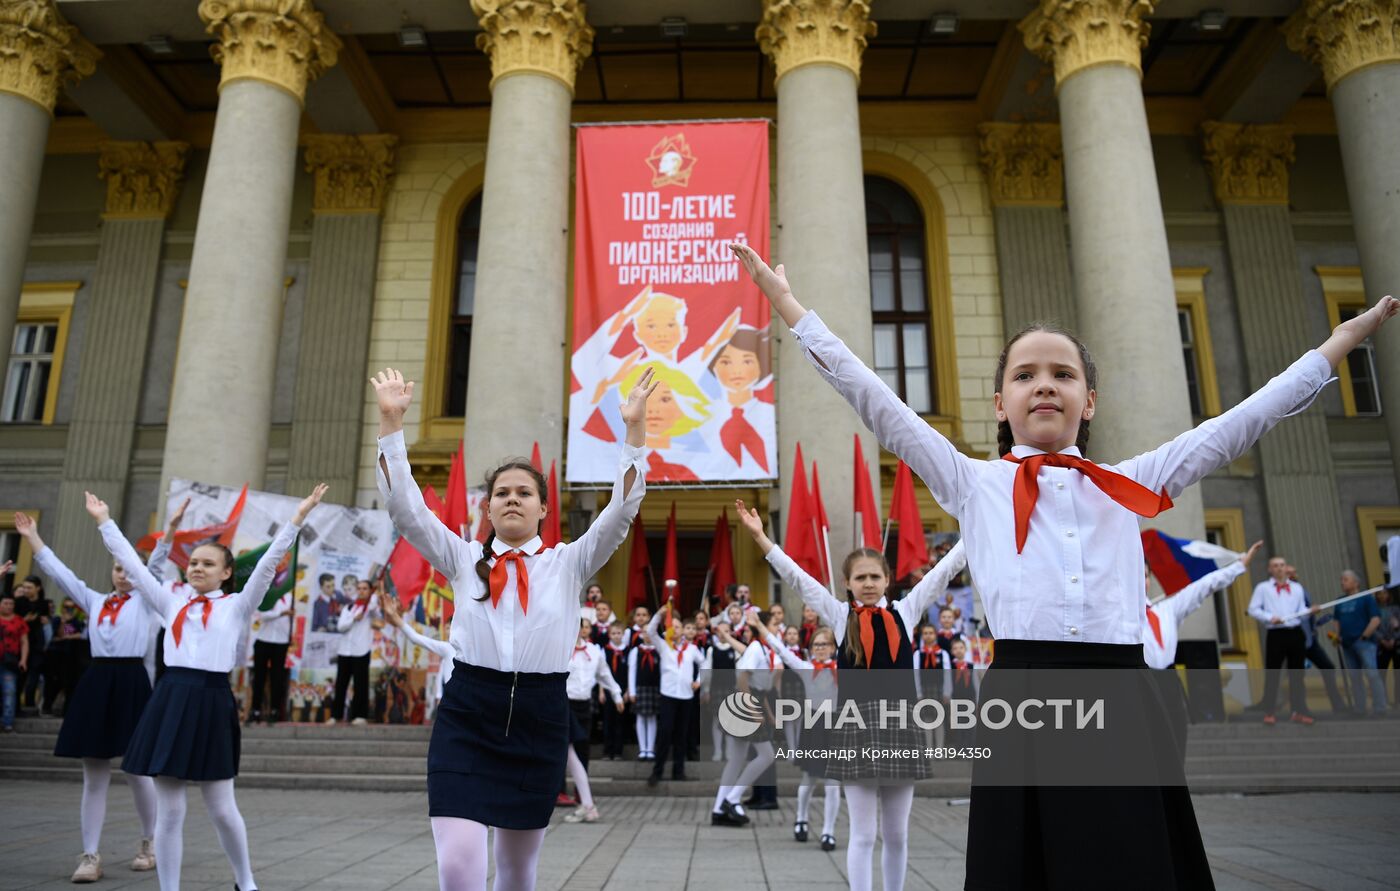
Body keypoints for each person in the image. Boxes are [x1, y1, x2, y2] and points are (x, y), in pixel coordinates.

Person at [731, 240, 1397, 890]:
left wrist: (1339, 343)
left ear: (1090, 399)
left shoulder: (1131, 479)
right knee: (1030, 863)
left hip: (1128, 692)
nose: (1044, 385)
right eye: (1024, 375)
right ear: (1000, 404)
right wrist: (789, 305)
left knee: (1132, 861)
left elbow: (1243, 421)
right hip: (1024, 695)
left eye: (1062, 374)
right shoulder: (974, 481)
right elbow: (873, 397)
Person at [372, 365, 652, 891]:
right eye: (502, 493)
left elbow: (621, 511)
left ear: (544, 508)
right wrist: (391, 423)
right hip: (468, 715)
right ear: (488, 507)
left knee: (518, 872)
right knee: (458, 866)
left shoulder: (568, 563)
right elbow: (405, 509)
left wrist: (634, 432)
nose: (513, 499)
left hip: (539, 716)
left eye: (525, 492)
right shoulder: (460, 557)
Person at [89, 483, 321, 891]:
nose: (197, 567)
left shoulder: (237, 604)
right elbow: (133, 564)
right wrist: (105, 521)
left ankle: (245, 882)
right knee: (171, 810)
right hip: (170, 698)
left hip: (212, 699)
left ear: (227, 573)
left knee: (222, 807)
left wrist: (297, 519)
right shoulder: (170, 601)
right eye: (193, 562)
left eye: (208, 564)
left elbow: (268, 564)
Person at [738, 499, 966, 891]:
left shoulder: (906, 611)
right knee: (863, 833)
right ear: (847, 583)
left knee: (897, 834)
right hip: (856, 730)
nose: (868, 583)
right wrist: (761, 538)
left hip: (900, 728)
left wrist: (979, 522)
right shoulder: (840, 616)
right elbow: (798, 579)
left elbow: (945, 571)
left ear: (888, 578)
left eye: (875, 576)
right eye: (860, 577)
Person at [16, 511, 168, 881]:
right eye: (117, 567)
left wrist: (172, 530)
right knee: (93, 773)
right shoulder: (94, 600)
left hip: (132, 681)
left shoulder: (149, 599)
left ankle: (150, 843)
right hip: (98, 681)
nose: (123, 573)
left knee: (138, 771)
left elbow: (158, 562)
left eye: (129, 568)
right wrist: (34, 538)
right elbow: (61, 574)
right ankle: (90, 855)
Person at [1144, 541, 1260, 763]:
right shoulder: (1122, 616)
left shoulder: (1166, 609)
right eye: (1137, 576)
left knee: (1176, 741)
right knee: (1147, 745)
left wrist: (1238, 566)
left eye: (1146, 575)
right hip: (1142, 681)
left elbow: (1202, 586)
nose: (1143, 582)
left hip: (1168, 681)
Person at [754, 613, 844, 851]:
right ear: (811, 648)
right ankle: (801, 818)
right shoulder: (805, 668)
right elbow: (781, 650)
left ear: (833, 647)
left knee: (833, 783)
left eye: (825, 644)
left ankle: (828, 832)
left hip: (836, 725)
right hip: (814, 725)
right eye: (817, 644)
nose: (821, 648)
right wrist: (761, 627)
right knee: (810, 778)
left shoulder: (843, 668)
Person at [710, 607, 782, 828]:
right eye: (773, 625)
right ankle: (732, 799)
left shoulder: (765, 650)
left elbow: (762, 688)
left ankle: (719, 809)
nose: (777, 628)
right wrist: (752, 710)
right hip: (744, 701)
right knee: (766, 755)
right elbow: (743, 680)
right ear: (761, 627)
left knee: (737, 759)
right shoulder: (757, 648)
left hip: (752, 699)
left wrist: (769, 714)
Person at [563, 619, 625, 823]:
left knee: (579, 752)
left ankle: (586, 802)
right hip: (565, 704)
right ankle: (579, 800)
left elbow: (605, 675)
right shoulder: (561, 647)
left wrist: (616, 695)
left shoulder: (594, 651)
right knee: (567, 753)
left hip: (584, 705)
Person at [1249, 556, 1320, 725]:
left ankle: (1299, 710)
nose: (1279, 568)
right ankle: (1270, 711)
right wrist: (1269, 617)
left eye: (1282, 565)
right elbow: (1253, 609)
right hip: (1276, 634)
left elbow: (1300, 610)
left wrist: (1310, 611)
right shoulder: (1263, 588)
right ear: (1270, 569)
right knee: (1273, 673)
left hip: (1295, 633)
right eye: (1275, 566)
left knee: (1297, 674)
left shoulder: (1296, 588)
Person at [644, 602, 704, 786]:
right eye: (672, 627)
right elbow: (651, 631)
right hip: (668, 695)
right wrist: (659, 614)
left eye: (678, 627)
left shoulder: (692, 649)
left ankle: (679, 771)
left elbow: (705, 664)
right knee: (665, 732)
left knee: (681, 734)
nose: (676, 630)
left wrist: (699, 680)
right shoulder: (664, 646)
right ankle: (657, 771)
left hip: (686, 696)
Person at [1331, 570, 1387, 718]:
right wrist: (1337, 636)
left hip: (1365, 643)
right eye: (1341, 580)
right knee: (1355, 677)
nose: (1342, 582)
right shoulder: (1340, 601)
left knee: (1372, 675)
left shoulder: (1366, 599)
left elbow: (1375, 619)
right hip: (1347, 643)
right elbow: (1336, 620)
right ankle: (1360, 708)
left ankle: (1380, 707)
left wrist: (1364, 636)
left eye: (1346, 580)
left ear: (1356, 583)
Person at [329, 579, 383, 725]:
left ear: (369, 591)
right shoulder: (349, 607)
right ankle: (336, 715)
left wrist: (374, 595)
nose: (361, 591)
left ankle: (360, 715)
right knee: (341, 684)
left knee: (360, 684)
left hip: (361, 650)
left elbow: (378, 616)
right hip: (345, 651)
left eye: (365, 588)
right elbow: (340, 627)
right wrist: (354, 618)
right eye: (359, 588)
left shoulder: (371, 609)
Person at [248, 587, 292, 726]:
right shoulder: (266, 595)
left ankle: (274, 710)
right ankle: (255, 710)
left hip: (281, 641)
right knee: (259, 677)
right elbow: (261, 614)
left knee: (277, 677)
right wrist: (281, 613)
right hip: (263, 640)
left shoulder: (291, 597)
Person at [627, 619, 661, 762]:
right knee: (640, 718)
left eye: (650, 631)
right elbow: (632, 671)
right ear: (641, 634)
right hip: (640, 688)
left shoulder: (659, 650)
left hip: (655, 688)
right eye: (645, 632)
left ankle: (650, 749)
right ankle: (642, 749)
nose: (647, 634)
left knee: (652, 718)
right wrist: (632, 691)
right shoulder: (636, 651)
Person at [1, 580, 31, 734]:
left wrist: (23, 659)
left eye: (10, 604)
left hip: (10, 660)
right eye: (5, 603)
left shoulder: (20, 620)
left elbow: (24, 641)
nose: (8, 607)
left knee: (10, 691)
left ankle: (7, 722)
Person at [601, 623, 631, 759]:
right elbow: (601, 673)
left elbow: (631, 672)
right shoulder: (604, 650)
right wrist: (601, 691)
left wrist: (628, 691)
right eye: (613, 633)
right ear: (609, 635)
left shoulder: (628, 651)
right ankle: (608, 751)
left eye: (619, 633)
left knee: (620, 721)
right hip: (608, 690)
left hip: (623, 690)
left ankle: (618, 751)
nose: (616, 636)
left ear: (623, 635)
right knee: (608, 721)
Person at [1377, 588, 1400, 707]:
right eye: (1379, 593)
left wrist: (1394, 638)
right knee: (1381, 674)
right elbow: (1374, 628)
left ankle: (1398, 701)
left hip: (1396, 644)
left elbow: (1398, 626)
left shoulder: (1395, 609)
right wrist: (1382, 640)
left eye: (1384, 593)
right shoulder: (1375, 610)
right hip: (1382, 645)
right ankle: (1383, 701)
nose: (1382, 596)